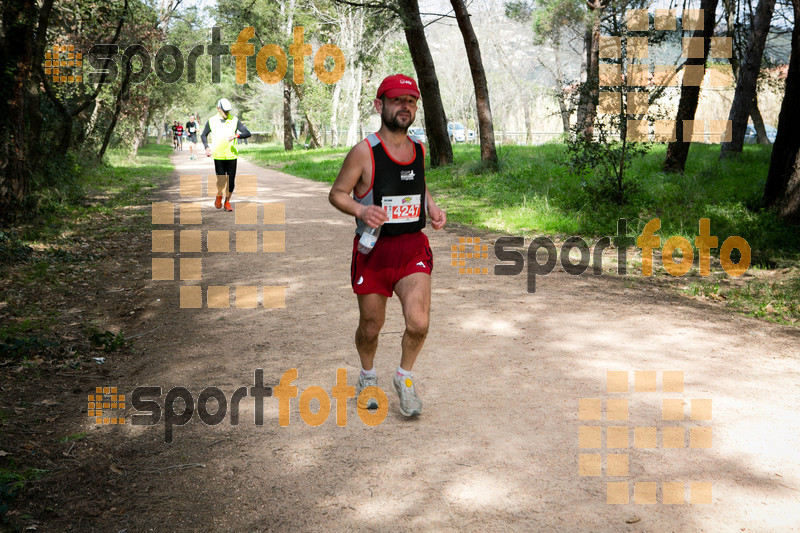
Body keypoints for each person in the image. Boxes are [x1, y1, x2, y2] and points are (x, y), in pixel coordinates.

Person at [328, 74, 446, 417]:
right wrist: (362, 209)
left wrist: (431, 206)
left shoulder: (419, 149)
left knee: (419, 323)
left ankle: (404, 378)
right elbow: (336, 194)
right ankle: (367, 376)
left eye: (411, 101)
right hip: (374, 252)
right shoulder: (364, 152)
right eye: (397, 100)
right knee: (371, 325)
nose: (405, 107)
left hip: (412, 249)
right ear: (381, 105)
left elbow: (418, 187)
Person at [201, 98, 251, 212]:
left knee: (231, 181)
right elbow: (203, 135)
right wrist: (206, 147)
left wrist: (237, 136)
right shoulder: (211, 121)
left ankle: (227, 202)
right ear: (218, 109)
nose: (227, 113)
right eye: (225, 111)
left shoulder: (234, 120)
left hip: (231, 155)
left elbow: (247, 133)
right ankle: (219, 195)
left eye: (228, 111)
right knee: (221, 181)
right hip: (218, 156)